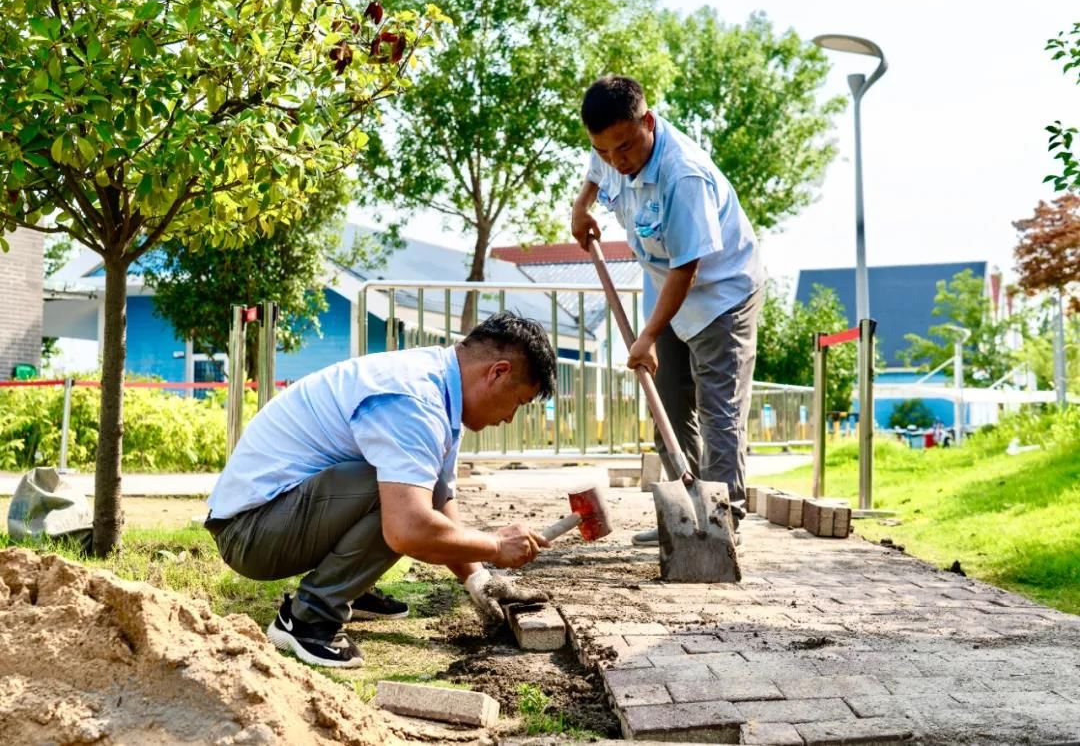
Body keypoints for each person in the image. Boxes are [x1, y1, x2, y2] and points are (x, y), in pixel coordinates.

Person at [204, 312, 557, 667]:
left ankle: (349, 585)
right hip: (250, 533)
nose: (511, 418)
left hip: (278, 517)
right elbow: (409, 528)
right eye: (519, 403)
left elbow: (439, 498)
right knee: (397, 497)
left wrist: (478, 578)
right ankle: (309, 618)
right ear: (498, 372)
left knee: (408, 488)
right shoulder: (413, 399)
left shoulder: (439, 391)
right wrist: (495, 545)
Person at [571, 75, 765, 545]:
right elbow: (598, 173)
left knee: (718, 411)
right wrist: (582, 206)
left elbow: (688, 270)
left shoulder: (685, 175)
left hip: (722, 293)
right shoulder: (611, 149)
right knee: (669, 410)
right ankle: (683, 516)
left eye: (625, 148)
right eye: (604, 151)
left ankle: (721, 525)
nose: (617, 161)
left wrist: (648, 336)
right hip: (668, 290)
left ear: (648, 124)